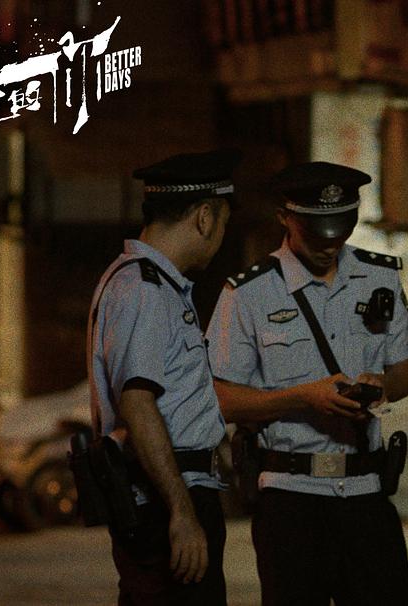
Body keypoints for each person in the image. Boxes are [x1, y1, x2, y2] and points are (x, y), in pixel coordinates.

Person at [206, 161, 408, 605]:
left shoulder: (379, 276)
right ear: (285, 219)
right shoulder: (247, 294)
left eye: (340, 231)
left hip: (365, 491)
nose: (330, 244)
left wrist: (381, 386)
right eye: (317, 233)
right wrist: (304, 398)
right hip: (291, 498)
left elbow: (404, 374)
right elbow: (222, 400)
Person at [87, 150, 238, 605]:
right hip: (165, 499)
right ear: (205, 218)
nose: (221, 237)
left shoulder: (150, 284)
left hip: (166, 496)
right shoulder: (144, 290)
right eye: (224, 224)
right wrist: (182, 513)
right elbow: (137, 402)